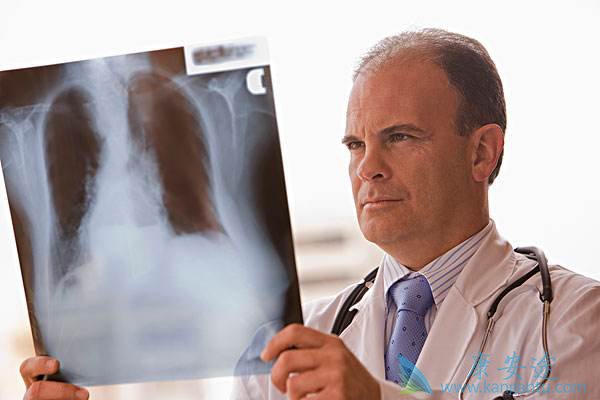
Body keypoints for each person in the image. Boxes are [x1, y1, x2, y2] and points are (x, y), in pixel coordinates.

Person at [19, 29, 600, 400]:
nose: (367, 168)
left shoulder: (572, 321)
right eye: (355, 145)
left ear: (481, 152)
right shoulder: (299, 345)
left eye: (399, 137)